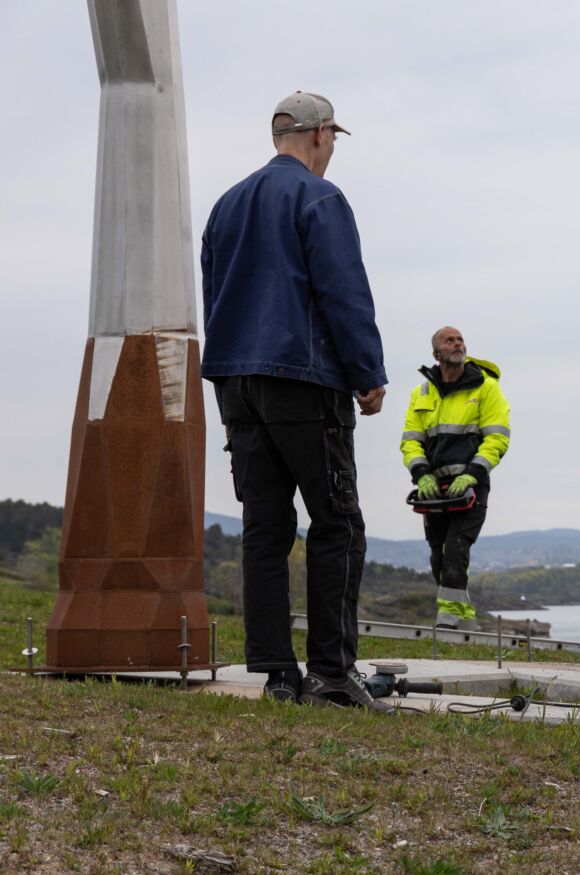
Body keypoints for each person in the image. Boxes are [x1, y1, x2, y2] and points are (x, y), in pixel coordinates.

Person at [201, 92, 391, 712]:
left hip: (237, 381)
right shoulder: (320, 198)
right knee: (337, 522)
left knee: (265, 527)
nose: (333, 148)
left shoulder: (226, 205)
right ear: (317, 134)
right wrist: (366, 371)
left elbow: (215, 293)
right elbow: (342, 290)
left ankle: (278, 675)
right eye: (333, 137)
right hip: (304, 379)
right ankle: (333, 675)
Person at [400, 327, 511, 629]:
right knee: (438, 553)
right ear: (436, 354)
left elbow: (497, 438)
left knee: (456, 547)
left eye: (460, 339)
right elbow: (411, 441)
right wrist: (421, 474)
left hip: (471, 486)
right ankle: (466, 618)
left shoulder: (486, 388)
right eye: (449, 341)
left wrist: (474, 473)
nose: (457, 344)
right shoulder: (420, 393)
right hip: (434, 488)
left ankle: (447, 621)